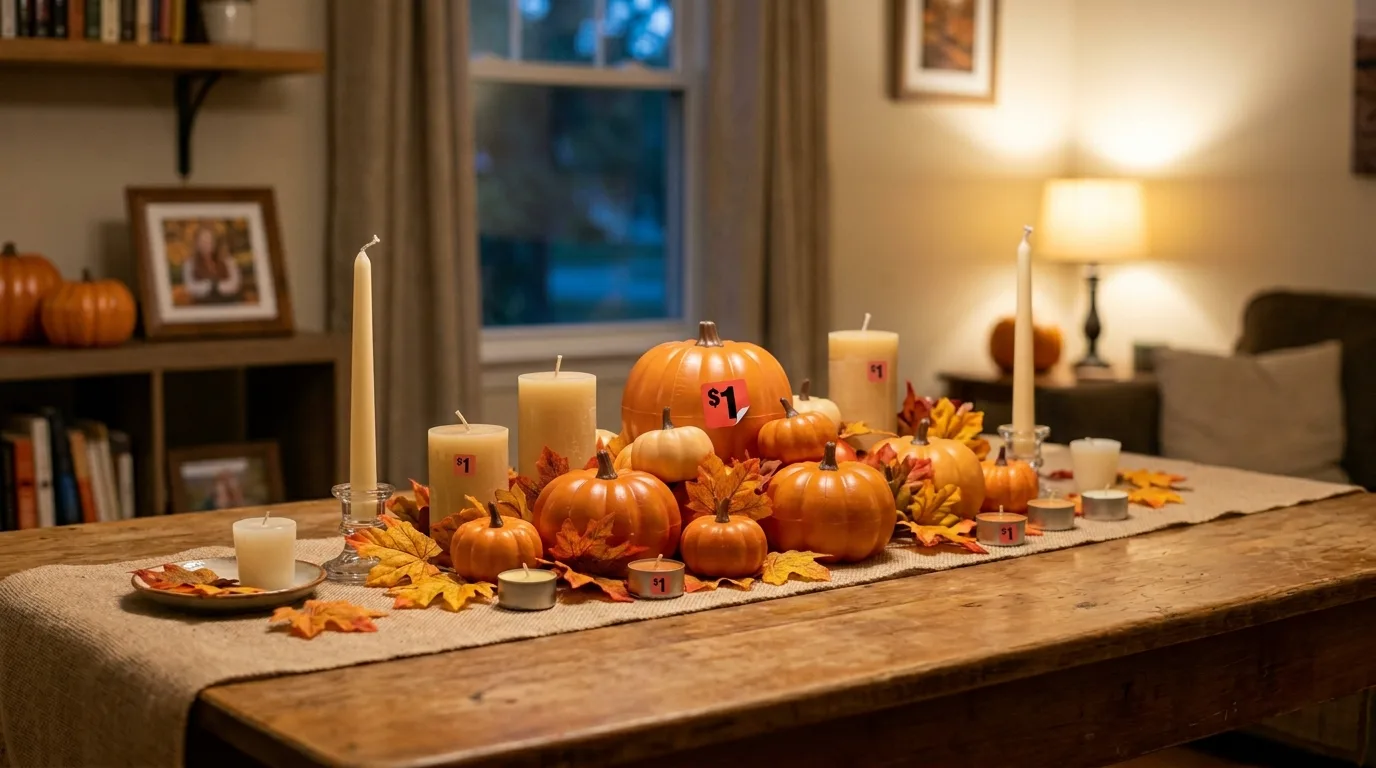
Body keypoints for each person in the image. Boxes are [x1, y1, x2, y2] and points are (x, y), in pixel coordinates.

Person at [182, 225, 243, 304]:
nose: (206, 245)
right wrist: (207, 286)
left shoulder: (227, 260)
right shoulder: (190, 263)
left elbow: (235, 282)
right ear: (197, 243)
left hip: (228, 301)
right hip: (202, 304)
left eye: (209, 241)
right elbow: (189, 286)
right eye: (203, 241)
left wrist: (220, 287)